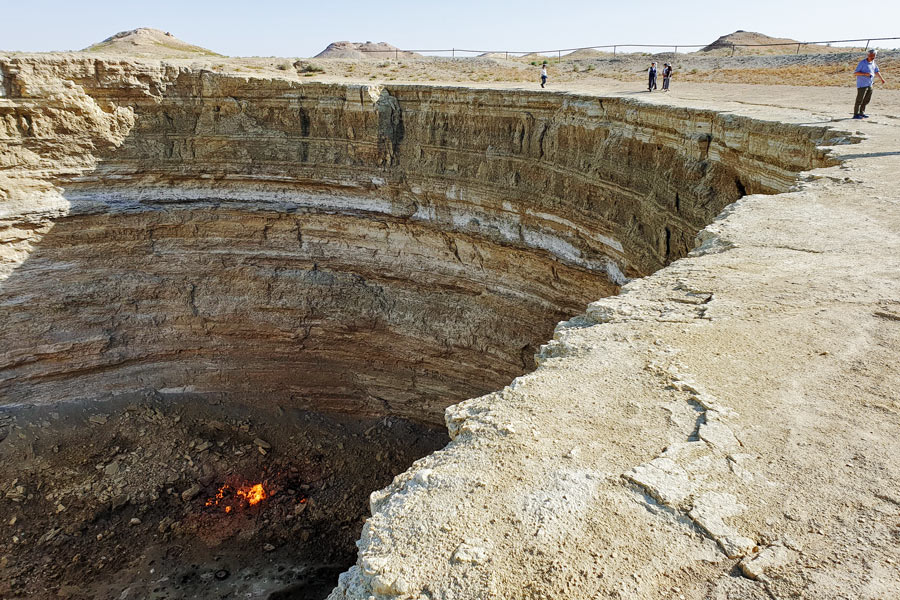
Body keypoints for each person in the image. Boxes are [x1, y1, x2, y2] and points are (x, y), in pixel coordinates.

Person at [852, 49, 886, 119]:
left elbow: (876, 71)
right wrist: (865, 74)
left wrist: (882, 79)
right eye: (871, 56)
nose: (872, 57)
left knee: (866, 100)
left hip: (870, 84)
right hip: (862, 85)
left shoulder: (874, 63)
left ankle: (862, 113)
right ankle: (856, 114)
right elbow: (855, 73)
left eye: (873, 56)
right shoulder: (862, 63)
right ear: (868, 55)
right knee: (859, 100)